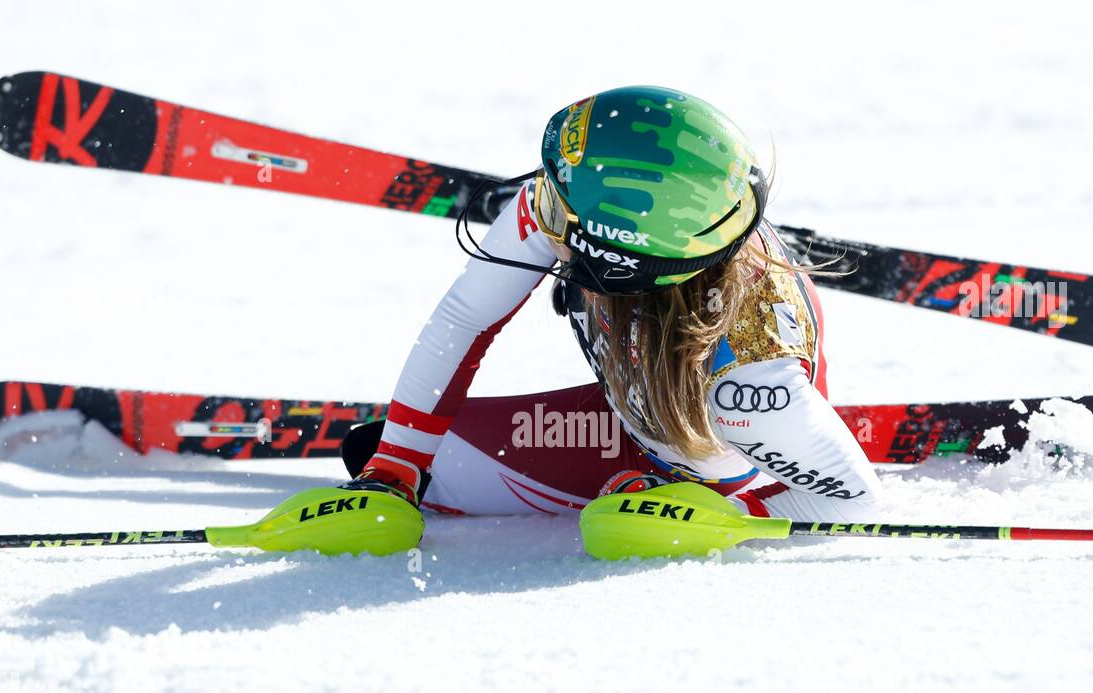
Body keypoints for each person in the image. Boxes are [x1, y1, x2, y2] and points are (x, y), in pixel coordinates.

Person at [341, 85, 881, 538]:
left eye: (555, 203)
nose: (533, 204)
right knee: (372, 449)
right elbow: (465, 318)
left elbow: (854, 500)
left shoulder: (748, 382)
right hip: (634, 413)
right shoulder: (576, 200)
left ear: (623, 264)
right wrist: (397, 466)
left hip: (710, 459)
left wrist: (703, 517)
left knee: (610, 523)